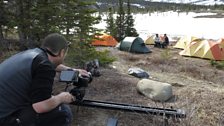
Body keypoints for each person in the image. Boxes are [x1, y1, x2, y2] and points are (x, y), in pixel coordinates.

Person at [0, 33, 89, 126]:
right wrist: (61, 97)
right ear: (62, 52)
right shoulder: (44, 66)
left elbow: (50, 64)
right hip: (4, 119)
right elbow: (41, 106)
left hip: (4, 108)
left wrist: (73, 70)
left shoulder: (34, 54)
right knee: (63, 112)